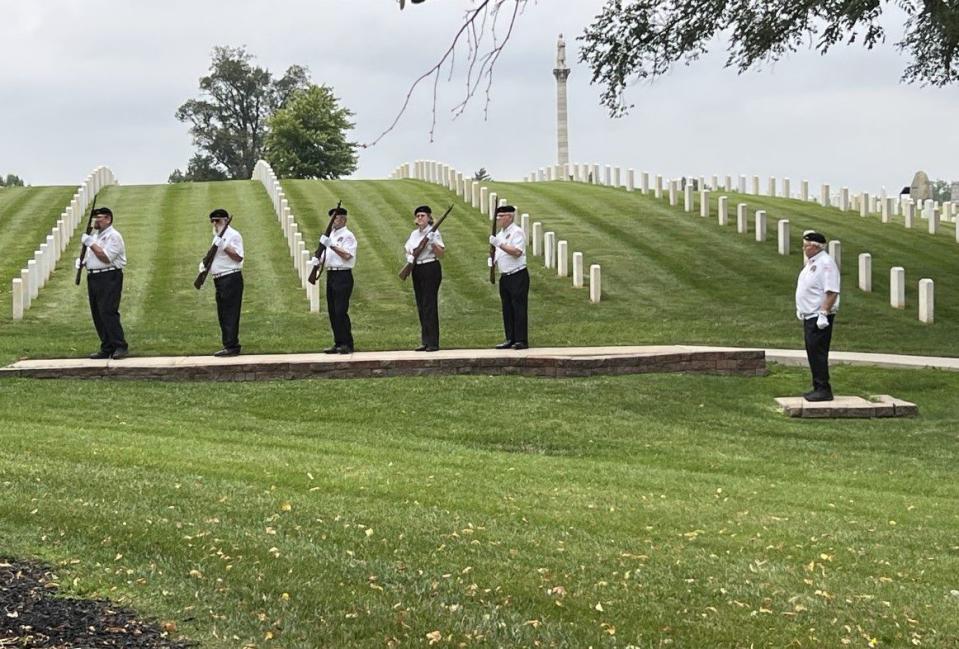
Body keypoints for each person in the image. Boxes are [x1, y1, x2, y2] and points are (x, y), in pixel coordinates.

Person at [795, 231, 840, 401]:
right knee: (812, 352)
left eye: (806, 245)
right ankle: (817, 386)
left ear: (814, 246)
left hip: (819, 317)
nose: (803, 248)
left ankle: (823, 389)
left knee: (818, 352)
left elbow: (832, 291)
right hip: (809, 315)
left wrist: (823, 313)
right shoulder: (813, 263)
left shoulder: (826, 263)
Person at [79, 206, 129, 360]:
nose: (96, 221)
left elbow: (106, 257)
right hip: (94, 277)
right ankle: (107, 346)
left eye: (99, 218)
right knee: (98, 314)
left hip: (109, 277)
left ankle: (120, 345)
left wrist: (90, 243)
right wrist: (82, 262)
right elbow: (92, 256)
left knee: (108, 311)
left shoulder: (114, 236)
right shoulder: (96, 236)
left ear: (108, 219)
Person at [311, 206, 357, 354]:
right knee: (332, 311)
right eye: (332, 218)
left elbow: (347, 255)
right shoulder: (332, 235)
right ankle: (338, 342)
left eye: (335, 218)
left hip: (343, 275)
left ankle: (347, 343)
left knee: (340, 310)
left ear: (343, 219)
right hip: (331, 274)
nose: (333, 222)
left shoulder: (348, 236)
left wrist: (331, 245)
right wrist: (318, 260)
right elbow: (328, 256)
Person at [200, 209, 244, 357]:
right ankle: (228, 344)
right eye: (212, 221)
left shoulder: (233, 235)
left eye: (217, 220)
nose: (214, 223)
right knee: (223, 314)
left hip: (230, 277)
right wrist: (204, 265)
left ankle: (232, 346)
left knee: (230, 313)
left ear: (225, 220)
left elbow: (238, 257)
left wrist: (225, 246)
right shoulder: (217, 236)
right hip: (219, 279)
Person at [405, 205, 445, 351]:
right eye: (418, 216)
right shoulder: (414, 234)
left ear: (429, 218)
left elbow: (441, 253)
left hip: (430, 267)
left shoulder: (434, 232)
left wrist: (432, 242)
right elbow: (409, 249)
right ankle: (425, 340)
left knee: (429, 305)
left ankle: (433, 342)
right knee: (421, 305)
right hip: (417, 268)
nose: (420, 218)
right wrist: (410, 256)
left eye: (423, 215)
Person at [489, 204, 529, 350]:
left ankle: (521, 340)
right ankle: (510, 338)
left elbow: (517, 251)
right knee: (507, 308)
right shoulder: (500, 234)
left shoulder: (516, 232)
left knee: (519, 308)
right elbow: (499, 253)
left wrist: (499, 244)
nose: (498, 219)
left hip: (517, 274)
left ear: (509, 216)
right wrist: (492, 260)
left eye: (501, 216)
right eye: (497, 216)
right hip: (505, 276)